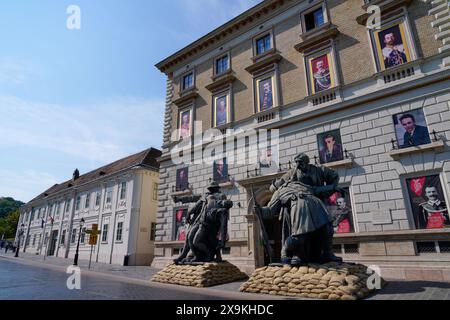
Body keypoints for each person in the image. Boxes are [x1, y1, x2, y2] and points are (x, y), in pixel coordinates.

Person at [257, 153, 343, 265]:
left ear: (306, 162)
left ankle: (326, 253)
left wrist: (333, 187)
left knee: (327, 228)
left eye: (300, 162)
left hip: (316, 204)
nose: (298, 165)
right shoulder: (286, 184)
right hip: (296, 206)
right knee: (300, 233)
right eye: (296, 163)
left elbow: (327, 182)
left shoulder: (317, 171)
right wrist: (276, 186)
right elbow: (271, 202)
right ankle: (296, 254)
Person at [173, 181, 232, 264]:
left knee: (198, 240)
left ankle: (208, 255)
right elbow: (194, 200)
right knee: (189, 236)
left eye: (211, 188)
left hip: (211, 223)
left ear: (215, 188)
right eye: (209, 189)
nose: (210, 190)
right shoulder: (206, 195)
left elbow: (223, 211)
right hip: (200, 220)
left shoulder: (221, 196)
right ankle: (183, 254)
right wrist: (187, 209)